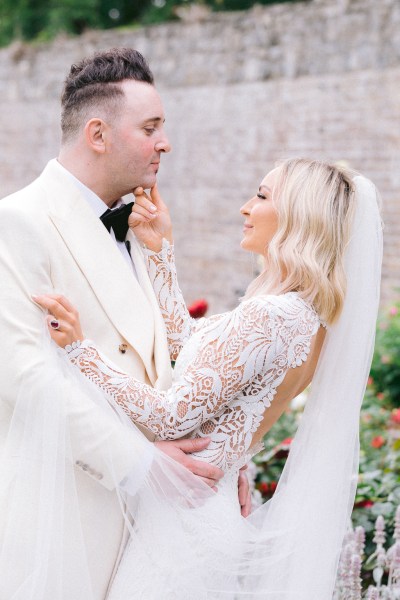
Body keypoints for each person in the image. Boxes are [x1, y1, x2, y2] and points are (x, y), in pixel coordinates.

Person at [34, 157, 383, 598]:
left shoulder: (271, 315)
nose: (244, 207)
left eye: (261, 195)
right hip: (202, 512)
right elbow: (192, 354)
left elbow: (169, 418)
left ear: (298, 215)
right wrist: (160, 251)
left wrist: (80, 350)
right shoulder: (309, 319)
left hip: (182, 531)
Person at [0, 48, 251, 600]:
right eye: (151, 128)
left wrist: (215, 458)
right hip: (67, 518)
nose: (165, 143)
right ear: (97, 134)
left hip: (152, 528)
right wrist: (141, 464)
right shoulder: (17, 222)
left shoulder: (138, 224)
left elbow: (167, 369)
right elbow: (24, 378)